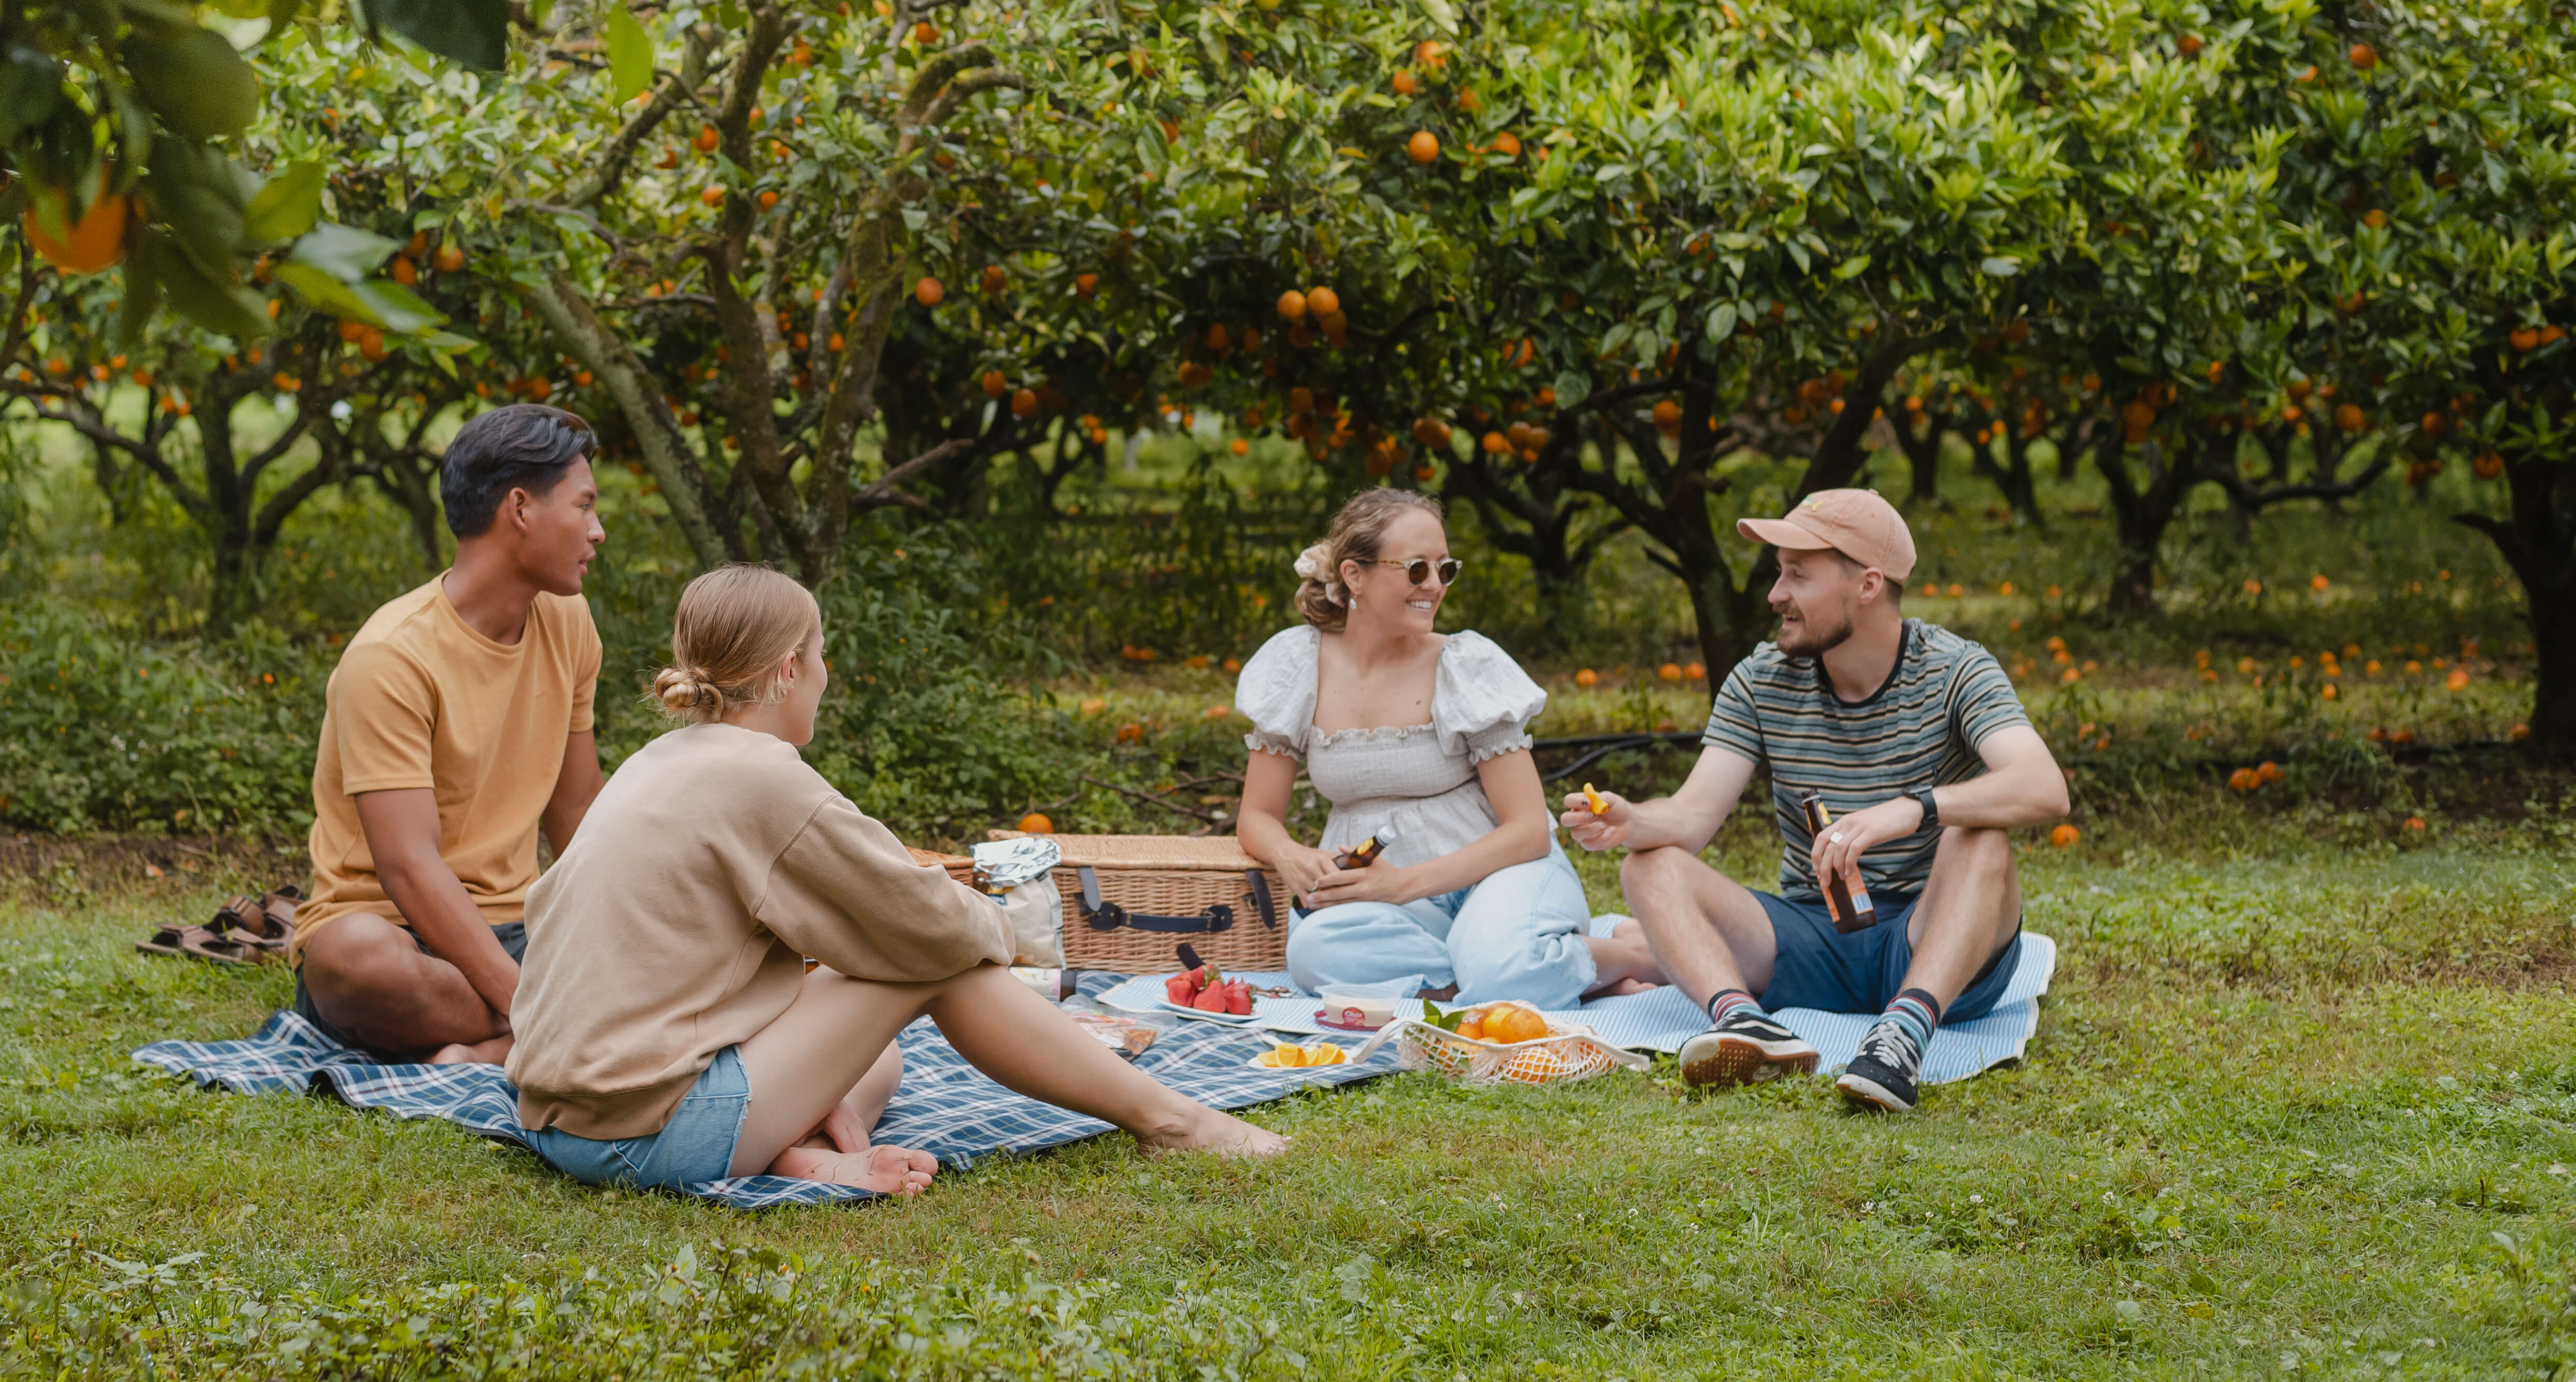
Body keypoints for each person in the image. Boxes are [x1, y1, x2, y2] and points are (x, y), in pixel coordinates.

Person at [506, 563, 1288, 1196]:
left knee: (882, 1055)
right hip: (647, 1135)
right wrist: (1005, 933)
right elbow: (925, 923)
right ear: (788, 668)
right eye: (820, 655)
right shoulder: (761, 777)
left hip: (556, 1118)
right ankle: (1173, 1120)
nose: (824, 673)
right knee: (936, 964)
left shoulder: (658, 761)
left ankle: (803, 1144)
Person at [1563, 488, 2070, 1112]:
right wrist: (1632, 818)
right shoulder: (1762, 677)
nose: (1776, 593)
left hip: (1930, 934)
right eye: (1779, 572)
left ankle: (1901, 1036)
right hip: (1809, 934)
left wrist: (1911, 808)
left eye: (1797, 574)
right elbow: (1692, 817)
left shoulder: (1956, 669)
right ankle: (1748, 1027)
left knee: (1980, 832)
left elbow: (2044, 786)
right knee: (1647, 863)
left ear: (1867, 584)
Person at [1234, 489, 1657, 1010]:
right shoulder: (1296, 663)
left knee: (1494, 966)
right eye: (1415, 569)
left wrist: (1403, 883)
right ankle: (1523, 966)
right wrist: (1291, 856)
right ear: (1353, 575)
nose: (1434, 586)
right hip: (1387, 900)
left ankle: (1634, 954)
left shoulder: (1465, 663)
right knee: (1314, 951)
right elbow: (1256, 815)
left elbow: (1527, 831)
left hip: (1499, 875)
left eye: (1444, 568)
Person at [290, 405, 609, 1064]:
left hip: (523, 929)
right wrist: (533, 1006)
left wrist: (626, 926)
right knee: (354, 960)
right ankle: (554, 1029)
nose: (597, 531)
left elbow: (577, 810)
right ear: (520, 508)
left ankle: (489, 1049)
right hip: (399, 934)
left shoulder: (569, 622)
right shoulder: (391, 657)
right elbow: (409, 865)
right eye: (583, 507)